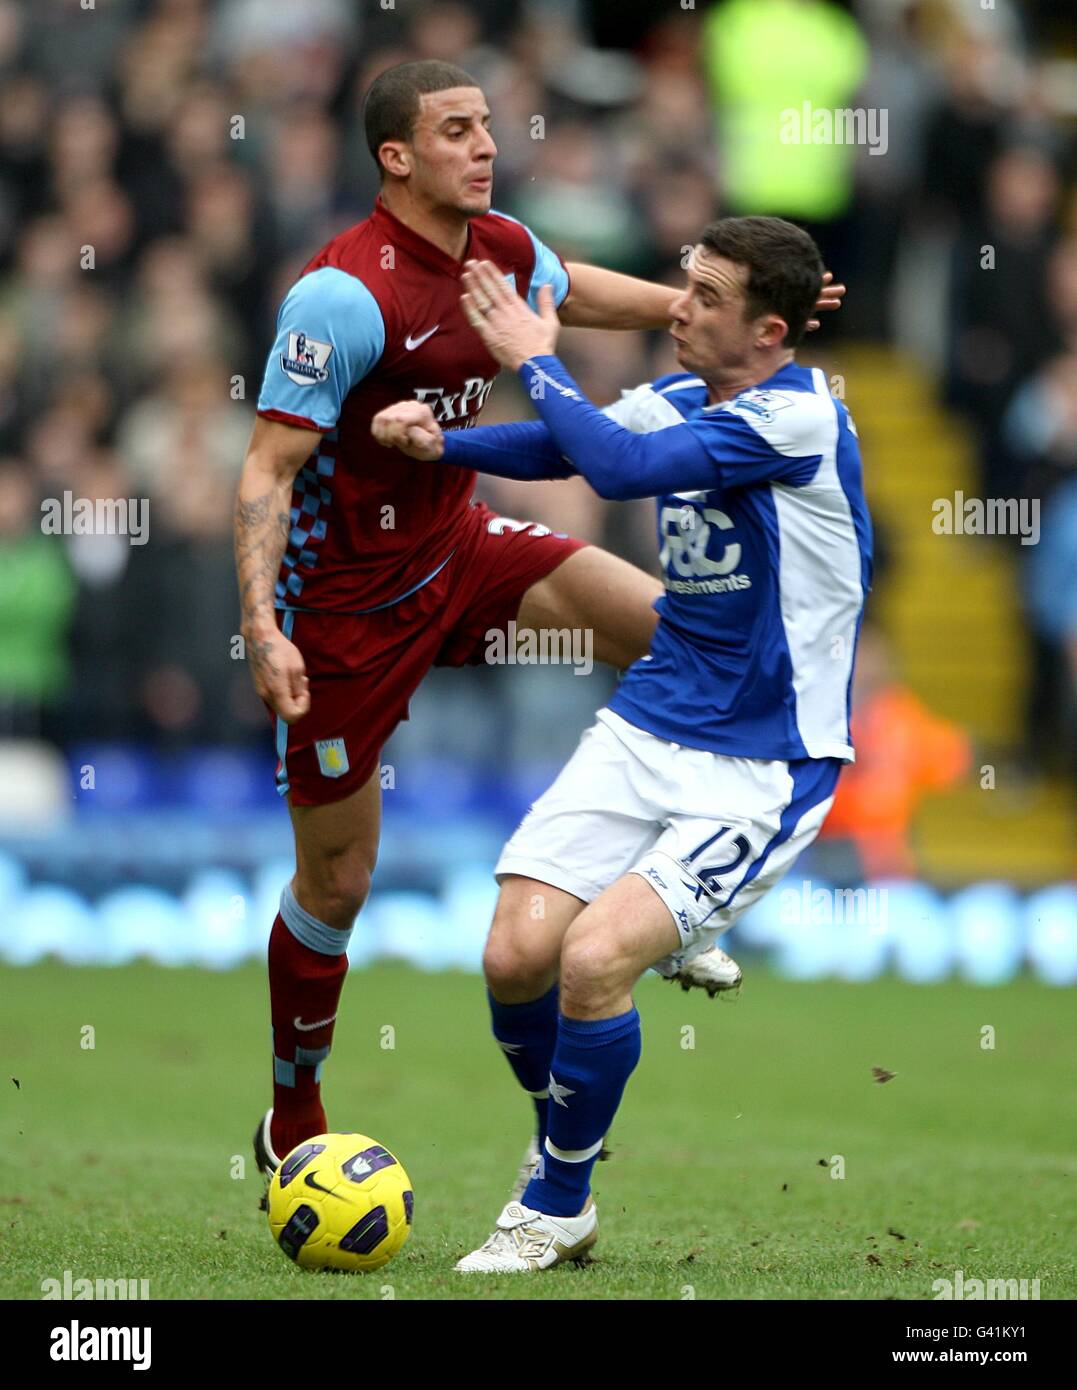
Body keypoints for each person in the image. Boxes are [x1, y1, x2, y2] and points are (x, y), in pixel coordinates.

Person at [235, 61, 846, 1183]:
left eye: (486, 125)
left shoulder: (503, 245)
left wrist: (729, 313)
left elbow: (575, 294)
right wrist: (263, 626)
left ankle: (691, 886)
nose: (486, 145)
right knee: (337, 883)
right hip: (344, 612)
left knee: (680, 629)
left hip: (458, 549)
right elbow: (268, 471)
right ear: (396, 156)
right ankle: (292, 1107)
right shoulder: (341, 296)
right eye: (457, 130)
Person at [373, 215, 872, 1271]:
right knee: (515, 955)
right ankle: (572, 1131)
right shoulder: (698, 394)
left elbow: (613, 470)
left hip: (763, 761)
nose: (676, 308)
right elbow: (571, 440)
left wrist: (530, 355)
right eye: (682, 284)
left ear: (769, 329)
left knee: (593, 960)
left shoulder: (798, 420)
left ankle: (555, 1200)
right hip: (652, 717)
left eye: (703, 298)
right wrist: (445, 445)